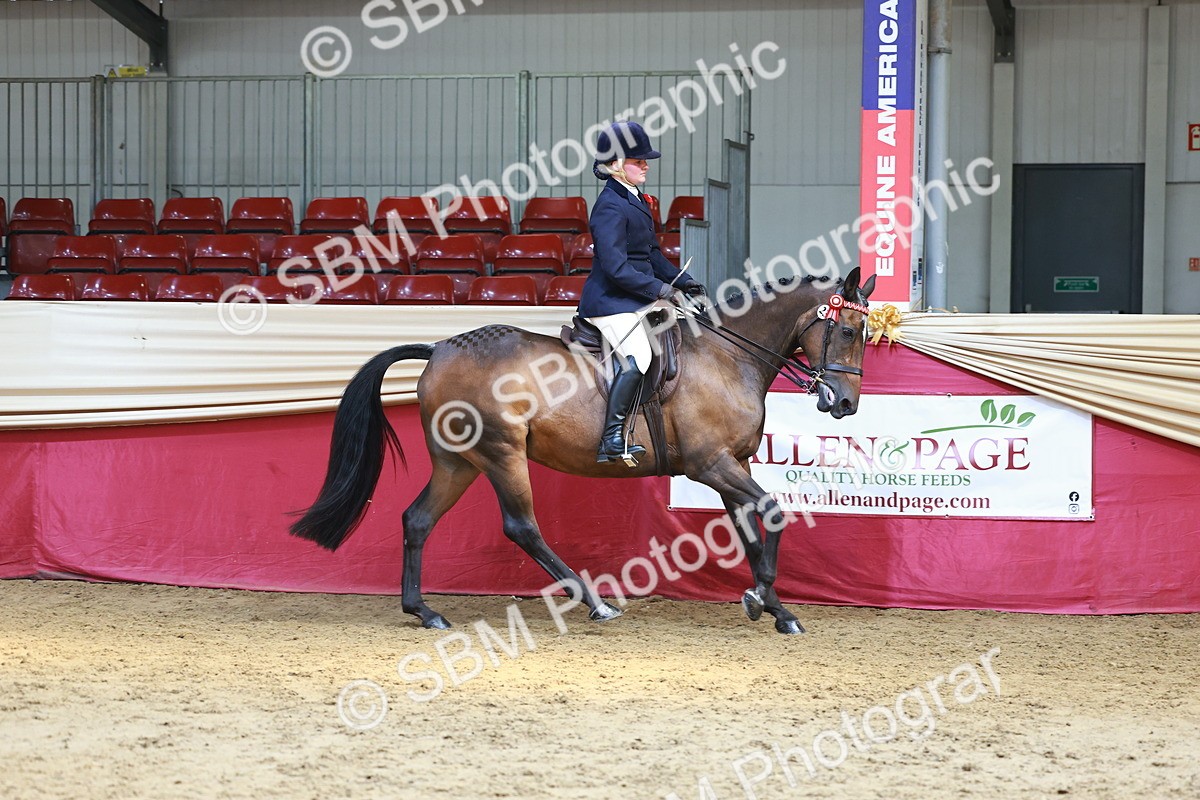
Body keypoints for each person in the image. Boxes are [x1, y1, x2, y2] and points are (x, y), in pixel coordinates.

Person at [579, 120, 707, 464]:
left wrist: (684, 282)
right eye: (638, 161)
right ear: (617, 165)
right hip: (612, 301)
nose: (646, 165)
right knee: (640, 357)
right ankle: (611, 438)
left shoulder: (634, 199)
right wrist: (660, 288)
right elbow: (616, 267)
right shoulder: (609, 206)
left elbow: (650, 254)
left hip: (635, 297)